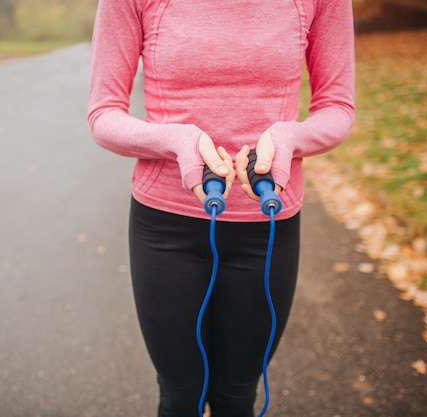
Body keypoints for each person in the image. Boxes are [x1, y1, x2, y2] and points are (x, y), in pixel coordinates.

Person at [87, 1, 355, 416]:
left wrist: (290, 138)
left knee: (236, 397)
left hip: (266, 228)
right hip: (165, 229)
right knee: (181, 398)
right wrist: (175, 141)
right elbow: (103, 113)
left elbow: (337, 107)